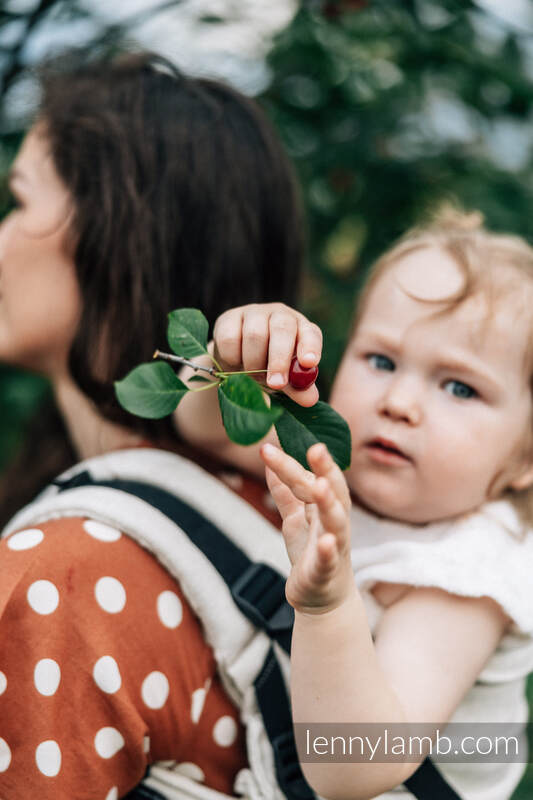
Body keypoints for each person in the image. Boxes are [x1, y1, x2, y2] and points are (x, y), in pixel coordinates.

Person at [0, 50, 311, 799]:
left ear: (111, 234)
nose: (3, 233)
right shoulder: (275, 506)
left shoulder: (63, 575)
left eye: (20, 198)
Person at [178, 208, 533, 800]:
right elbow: (208, 434)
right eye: (382, 360)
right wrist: (231, 362)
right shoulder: (341, 459)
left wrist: (327, 604)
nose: (398, 401)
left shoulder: (467, 571)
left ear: (525, 459)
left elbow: (354, 763)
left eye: (460, 387)